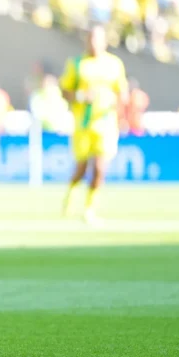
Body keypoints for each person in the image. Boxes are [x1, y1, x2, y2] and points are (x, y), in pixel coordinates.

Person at [60, 25, 129, 223]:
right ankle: (70, 195)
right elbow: (65, 91)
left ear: (104, 41)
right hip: (83, 124)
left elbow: (122, 92)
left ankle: (89, 209)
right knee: (81, 168)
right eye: (90, 39)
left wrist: (121, 111)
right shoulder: (77, 64)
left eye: (97, 39)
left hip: (106, 123)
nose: (93, 43)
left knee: (100, 167)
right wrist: (81, 96)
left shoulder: (114, 64)